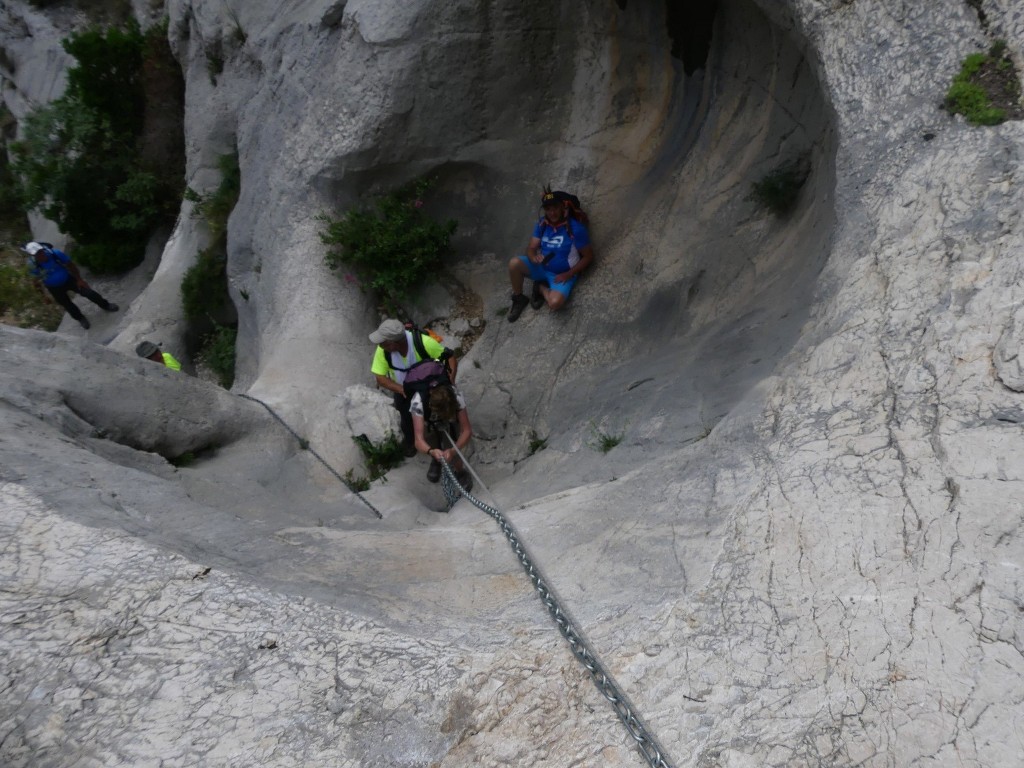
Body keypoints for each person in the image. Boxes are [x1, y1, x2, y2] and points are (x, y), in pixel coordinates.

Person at [369, 318, 458, 457]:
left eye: (383, 342)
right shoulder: (383, 351)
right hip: (403, 389)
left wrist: (449, 383)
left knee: (438, 409)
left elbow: (450, 358)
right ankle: (412, 441)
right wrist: (401, 390)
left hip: (429, 387)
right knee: (406, 416)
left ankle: (446, 434)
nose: (380, 345)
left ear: (394, 343)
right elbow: (380, 378)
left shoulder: (423, 342)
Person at [506, 188, 594, 322]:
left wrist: (569, 274)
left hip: (562, 274)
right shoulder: (542, 224)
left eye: (555, 208)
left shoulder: (575, 228)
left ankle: (540, 288)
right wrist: (533, 257)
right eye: (548, 209)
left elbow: (588, 256)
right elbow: (531, 248)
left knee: (554, 303)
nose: (552, 213)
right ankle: (519, 298)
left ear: (562, 208)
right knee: (514, 264)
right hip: (542, 267)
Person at [22, 241, 119, 330]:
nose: (40, 255)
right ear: (32, 255)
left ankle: (105, 305)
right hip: (54, 288)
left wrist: (79, 279)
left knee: (89, 293)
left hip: (68, 279)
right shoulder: (33, 266)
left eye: (40, 252)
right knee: (68, 305)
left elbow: (70, 265)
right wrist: (44, 296)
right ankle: (80, 318)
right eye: (36, 254)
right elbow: (36, 282)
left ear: (42, 249)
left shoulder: (55, 254)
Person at [411, 381, 473, 491]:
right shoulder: (418, 402)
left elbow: (466, 430)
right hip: (428, 421)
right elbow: (418, 440)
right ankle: (436, 459)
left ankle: (459, 470)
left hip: (451, 419)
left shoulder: (456, 396)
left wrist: (453, 450)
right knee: (430, 439)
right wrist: (431, 451)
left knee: (453, 440)